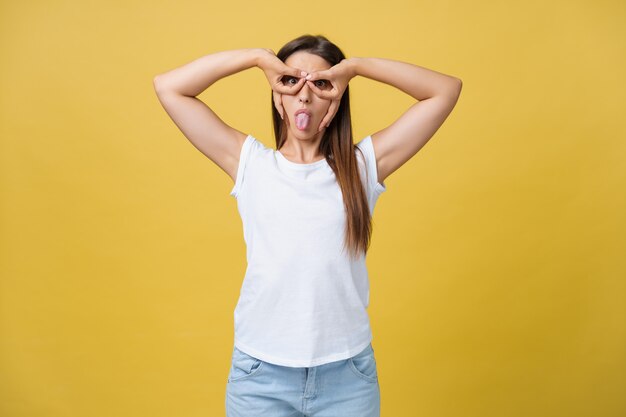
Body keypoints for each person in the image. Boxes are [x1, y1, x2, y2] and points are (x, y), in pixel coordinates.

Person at [153, 34, 462, 417]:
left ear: (337, 97)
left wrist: (356, 67)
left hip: (346, 377)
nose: (304, 96)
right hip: (260, 376)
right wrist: (256, 59)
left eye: (320, 85)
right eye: (291, 82)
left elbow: (444, 91)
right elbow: (169, 88)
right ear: (276, 95)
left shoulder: (362, 166)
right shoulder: (249, 163)